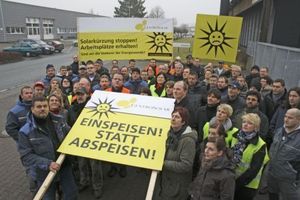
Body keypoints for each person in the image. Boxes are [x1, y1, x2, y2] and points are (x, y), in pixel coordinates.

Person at [18, 96, 78, 200]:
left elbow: (71, 135)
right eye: (39, 106)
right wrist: (48, 164)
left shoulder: (59, 120)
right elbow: (26, 157)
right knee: (49, 197)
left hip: (64, 166)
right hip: (44, 172)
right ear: (32, 109)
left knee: (72, 195)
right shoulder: (25, 132)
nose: (42, 109)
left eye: (45, 106)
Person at [154, 107, 197, 200]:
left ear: (183, 122)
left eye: (177, 117)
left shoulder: (188, 140)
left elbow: (186, 165)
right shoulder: (169, 134)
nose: (173, 119)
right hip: (166, 180)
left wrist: (162, 163)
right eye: (172, 116)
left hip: (178, 185)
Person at [231, 113, 269, 200]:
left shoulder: (260, 144)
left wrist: (236, 183)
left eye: (250, 123)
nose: (245, 124)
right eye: (244, 122)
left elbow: (253, 170)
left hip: (247, 185)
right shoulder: (236, 136)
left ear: (256, 127)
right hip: (231, 179)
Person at [268, 108, 300, 200]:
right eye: (285, 116)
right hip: (273, 174)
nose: (286, 119)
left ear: (299, 119)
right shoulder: (279, 131)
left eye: (290, 118)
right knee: (273, 196)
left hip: (290, 180)